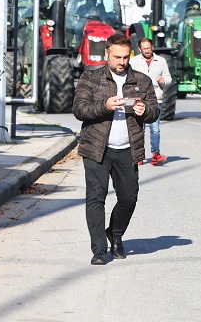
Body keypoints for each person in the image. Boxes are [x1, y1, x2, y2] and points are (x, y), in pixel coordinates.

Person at [73, 32, 159, 265]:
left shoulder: (141, 80)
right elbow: (80, 109)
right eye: (116, 57)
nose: (121, 62)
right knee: (96, 198)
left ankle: (116, 234)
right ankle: (99, 249)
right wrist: (105, 105)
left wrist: (145, 111)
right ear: (107, 54)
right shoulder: (90, 78)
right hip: (96, 149)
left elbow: (154, 111)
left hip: (127, 150)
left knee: (128, 198)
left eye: (125, 57)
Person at [129, 37, 171, 166]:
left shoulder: (161, 61)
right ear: (140, 49)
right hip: (139, 100)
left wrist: (164, 81)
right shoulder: (134, 61)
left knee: (155, 129)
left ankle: (156, 154)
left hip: (155, 99)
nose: (147, 51)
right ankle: (138, 156)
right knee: (139, 129)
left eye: (149, 48)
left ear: (152, 47)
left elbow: (168, 78)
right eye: (144, 49)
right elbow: (128, 77)